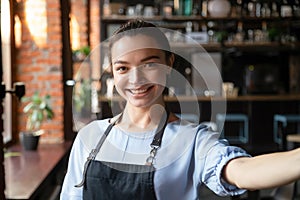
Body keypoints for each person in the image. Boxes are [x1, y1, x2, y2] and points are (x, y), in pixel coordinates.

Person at [60, 19, 300, 200]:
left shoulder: (191, 140)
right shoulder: (90, 137)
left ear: (169, 65)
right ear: (112, 71)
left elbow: (241, 171)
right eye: (123, 68)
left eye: (150, 64)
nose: (136, 79)